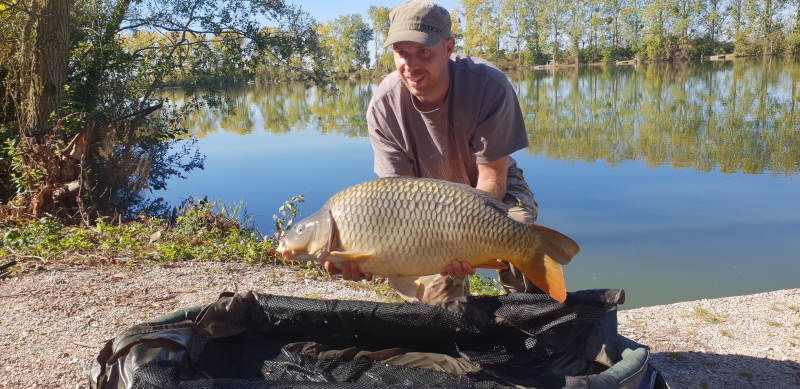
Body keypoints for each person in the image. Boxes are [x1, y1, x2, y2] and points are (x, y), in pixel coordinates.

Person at [323, 0, 541, 301]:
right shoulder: (383, 106)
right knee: (437, 303)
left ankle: (533, 317)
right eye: (402, 53)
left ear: (449, 48)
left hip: (489, 191)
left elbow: (493, 180)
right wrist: (378, 257)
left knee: (517, 234)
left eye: (423, 51)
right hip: (422, 209)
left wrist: (463, 237)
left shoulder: (489, 85)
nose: (410, 66)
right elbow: (395, 201)